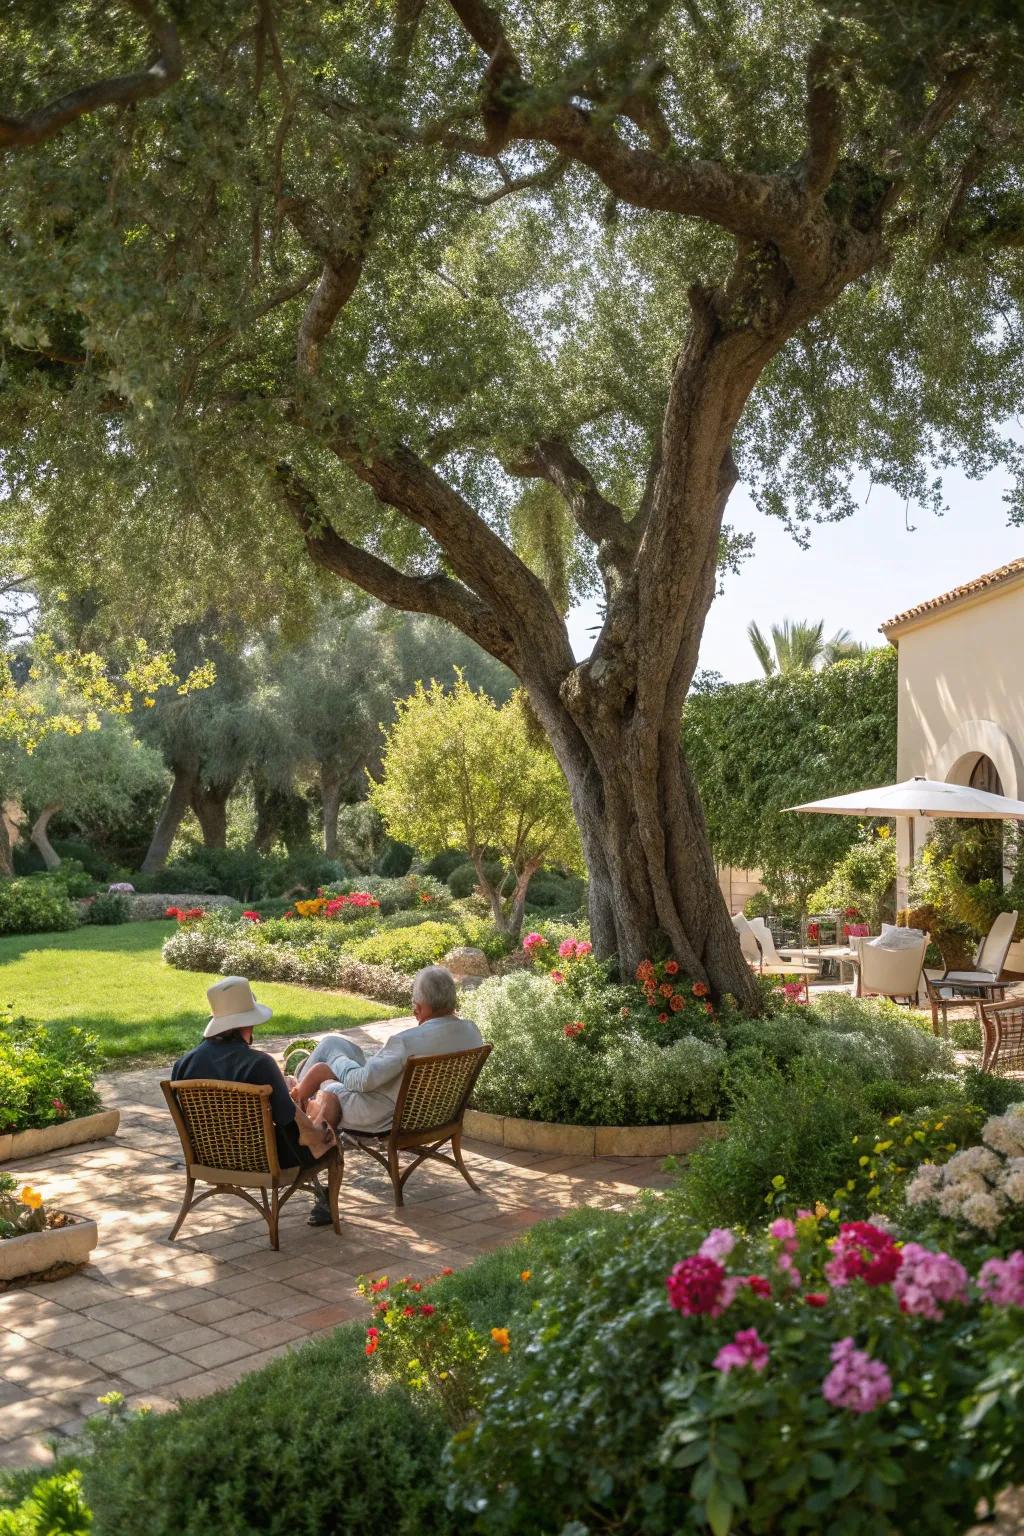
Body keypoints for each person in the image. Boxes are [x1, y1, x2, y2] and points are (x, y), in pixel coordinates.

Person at [291, 965, 482, 1225]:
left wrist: (336, 1062)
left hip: (380, 1115)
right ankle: (300, 1094)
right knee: (331, 1043)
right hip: (432, 1115)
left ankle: (297, 1125)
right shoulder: (471, 1032)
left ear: (419, 1007)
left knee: (326, 1075)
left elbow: (361, 1082)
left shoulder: (407, 1042)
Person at [171, 977, 336, 1174]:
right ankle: (325, 1201)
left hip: (208, 1159)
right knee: (330, 1142)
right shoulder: (259, 1064)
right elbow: (285, 1118)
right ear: (248, 1023)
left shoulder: (182, 1066)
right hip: (265, 1161)